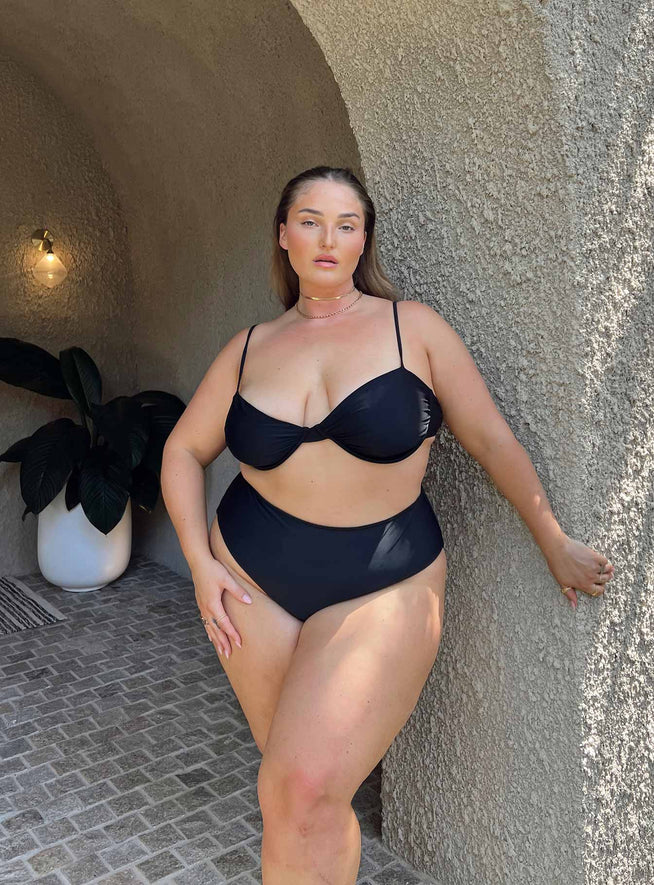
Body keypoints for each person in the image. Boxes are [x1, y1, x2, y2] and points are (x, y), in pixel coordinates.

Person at [161, 165, 615, 884]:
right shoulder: (248, 346)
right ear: (283, 236)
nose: (328, 239)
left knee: (303, 787)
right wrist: (199, 562)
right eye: (310, 221)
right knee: (298, 797)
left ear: (364, 240)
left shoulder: (413, 329)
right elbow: (184, 450)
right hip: (250, 577)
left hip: (382, 579)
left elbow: (491, 439)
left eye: (346, 225)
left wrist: (553, 540)